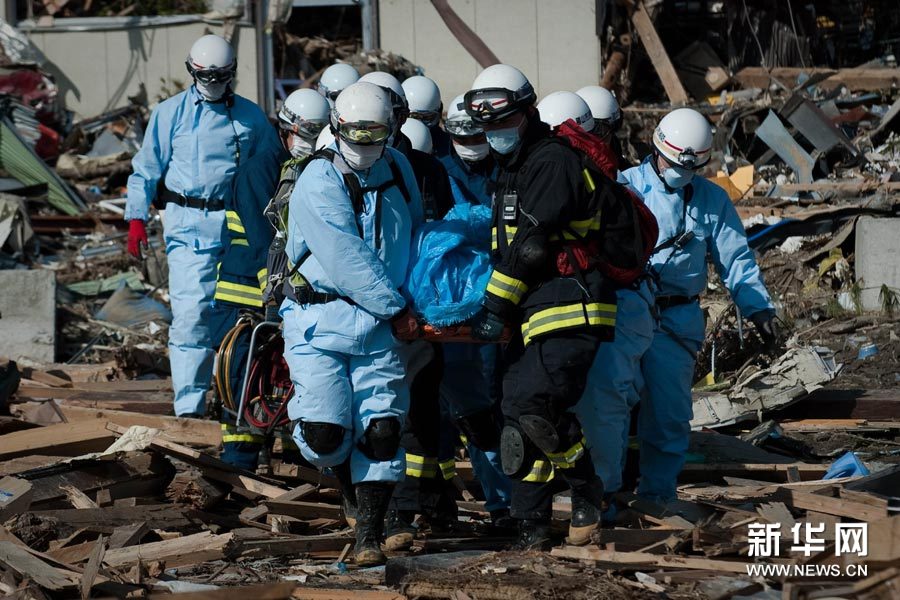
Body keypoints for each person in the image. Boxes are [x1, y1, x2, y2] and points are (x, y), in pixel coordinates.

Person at [465, 64, 631, 549]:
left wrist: (493, 305)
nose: (494, 135)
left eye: (503, 123)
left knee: (530, 404)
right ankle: (532, 527)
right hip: (534, 309)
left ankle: (585, 487)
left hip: (571, 303)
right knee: (516, 423)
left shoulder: (550, 161)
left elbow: (532, 247)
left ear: (528, 112)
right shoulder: (514, 164)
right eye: (487, 127)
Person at [577, 108, 777, 508]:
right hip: (626, 310)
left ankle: (657, 496)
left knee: (668, 415)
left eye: (691, 167)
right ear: (656, 149)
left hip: (677, 317)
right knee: (608, 405)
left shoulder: (711, 200)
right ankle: (605, 494)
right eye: (673, 164)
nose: (680, 173)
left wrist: (758, 309)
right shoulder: (623, 186)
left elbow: (735, 260)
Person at [282, 81, 423, 567]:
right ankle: (344, 483)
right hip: (320, 319)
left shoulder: (398, 168)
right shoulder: (317, 181)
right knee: (325, 435)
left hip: (379, 326)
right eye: (356, 136)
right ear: (336, 129)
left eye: (376, 135)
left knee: (382, 429)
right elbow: (346, 256)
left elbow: (416, 231)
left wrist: (426, 296)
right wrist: (396, 307)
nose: (365, 147)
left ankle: (369, 534)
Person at [125, 34, 280, 418]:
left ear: (231, 74)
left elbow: (273, 169)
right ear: (192, 72)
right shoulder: (170, 113)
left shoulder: (250, 117)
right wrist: (135, 217)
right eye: (205, 75)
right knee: (191, 317)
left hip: (236, 229)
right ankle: (189, 408)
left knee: (238, 316)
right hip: (187, 225)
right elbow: (146, 168)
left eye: (220, 76)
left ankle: (235, 400)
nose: (213, 83)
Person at [215, 88, 329, 469]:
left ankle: (295, 468)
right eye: (306, 134)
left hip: (284, 292)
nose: (310, 143)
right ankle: (238, 465)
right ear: (287, 130)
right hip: (248, 292)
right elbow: (265, 235)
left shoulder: (311, 168)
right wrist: (275, 290)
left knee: (286, 377)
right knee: (246, 378)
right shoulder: (260, 169)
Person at [575, 85, 627, 169]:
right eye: (600, 131)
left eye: (614, 127)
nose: (607, 139)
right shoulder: (574, 161)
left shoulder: (613, 146)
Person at [402, 75, 451, 157]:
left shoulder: (449, 147)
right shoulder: (389, 146)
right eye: (413, 117)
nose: (420, 125)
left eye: (427, 118)